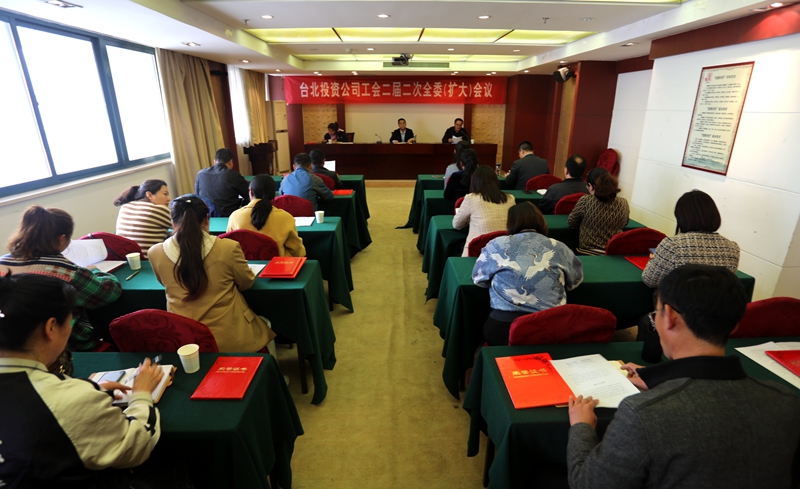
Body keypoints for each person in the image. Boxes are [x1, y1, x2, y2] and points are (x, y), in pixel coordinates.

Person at [567, 264, 800, 489]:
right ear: (735, 325)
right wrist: (662, 379)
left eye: (656, 313)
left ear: (669, 317)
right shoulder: (785, 400)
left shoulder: (642, 414)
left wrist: (582, 427)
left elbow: (587, 484)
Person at [0, 273, 167, 487]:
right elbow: (135, 448)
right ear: (51, 328)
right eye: (71, 319)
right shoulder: (69, 400)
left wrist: (87, 393)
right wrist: (141, 395)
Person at [148, 195, 276, 352]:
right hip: (230, 337)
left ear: (173, 222)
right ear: (206, 219)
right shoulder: (228, 248)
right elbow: (246, 283)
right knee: (264, 324)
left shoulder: (155, 253)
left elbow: (164, 282)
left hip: (184, 339)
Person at [0, 206, 121, 352]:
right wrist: (95, 271)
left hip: (8, 340)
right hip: (62, 344)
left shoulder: (2, 263)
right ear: (61, 239)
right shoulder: (64, 271)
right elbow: (108, 292)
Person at [472, 202, 583, 346]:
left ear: (510, 223)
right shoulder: (559, 247)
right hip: (551, 327)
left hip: (504, 329)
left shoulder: (496, 244)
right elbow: (574, 281)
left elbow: (478, 279)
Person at [642, 190, 739, 288]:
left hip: (678, 298)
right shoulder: (732, 248)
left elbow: (650, 280)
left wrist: (654, 260)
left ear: (681, 218)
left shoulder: (672, 245)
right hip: (717, 298)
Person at [227, 175, 306, 257]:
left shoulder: (234, 217)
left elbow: (229, 248)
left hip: (244, 264)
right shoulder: (286, 218)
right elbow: (299, 252)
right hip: (277, 264)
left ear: (251, 191)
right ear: (274, 194)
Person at [453, 166, 516, 257]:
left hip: (477, 253)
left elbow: (456, 225)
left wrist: (470, 219)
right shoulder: (510, 198)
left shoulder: (471, 198)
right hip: (505, 252)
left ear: (474, 182)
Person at [568, 168, 629, 254]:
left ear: (591, 186)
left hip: (588, 253)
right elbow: (625, 223)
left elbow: (572, 223)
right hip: (613, 253)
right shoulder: (623, 202)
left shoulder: (586, 201)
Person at [113, 179, 172, 257]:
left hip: (125, 259)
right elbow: (184, 224)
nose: (168, 199)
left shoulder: (126, 206)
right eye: (165, 194)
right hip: (149, 259)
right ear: (149, 195)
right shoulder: (160, 209)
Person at [194, 148, 250, 217]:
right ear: (231, 162)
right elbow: (248, 193)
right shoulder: (233, 175)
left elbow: (197, 196)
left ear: (214, 162)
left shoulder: (201, 174)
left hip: (207, 217)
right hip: (229, 217)